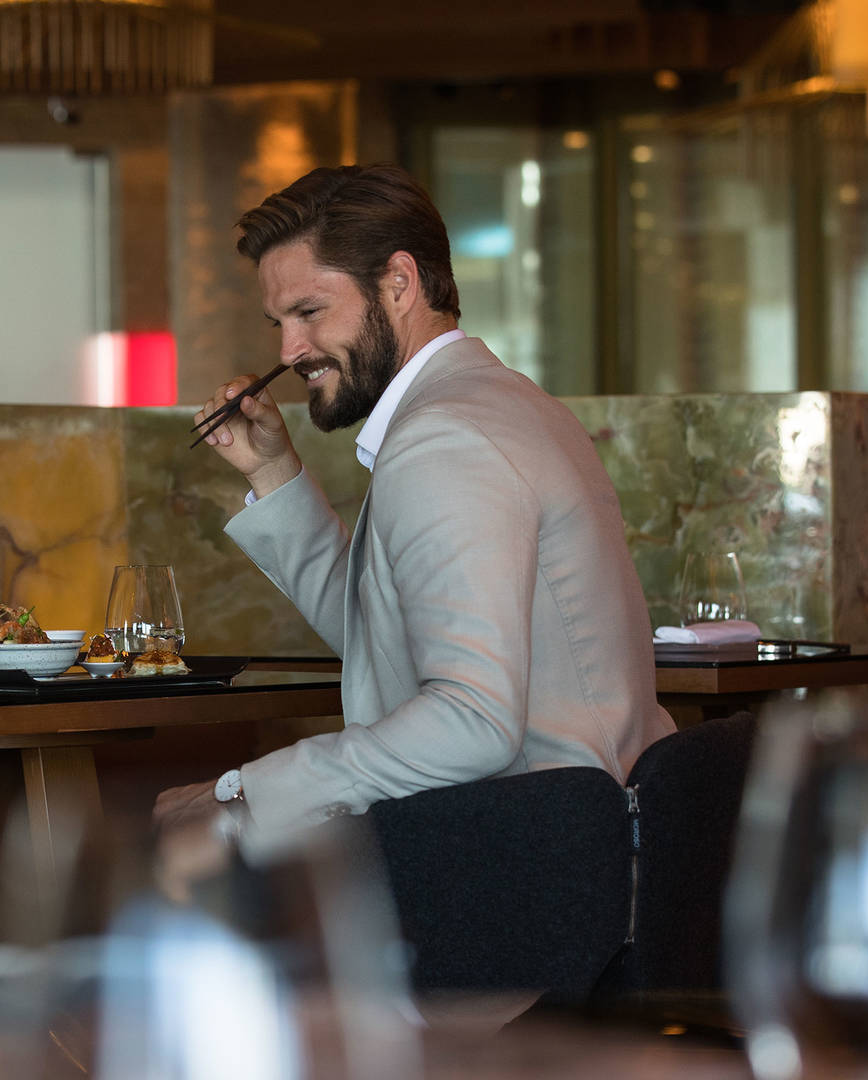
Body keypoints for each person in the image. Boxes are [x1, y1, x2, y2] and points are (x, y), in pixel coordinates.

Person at [153, 163, 673, 874]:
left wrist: (244, 800)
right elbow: (385, 638)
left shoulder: (445, 440)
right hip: (583, 858)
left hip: (530, 877)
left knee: (183, 902)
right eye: (279, 324)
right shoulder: (503, 403)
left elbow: (473, 724)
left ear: (399, 282)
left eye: (309, 312)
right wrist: (273, 471)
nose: (288, 351)